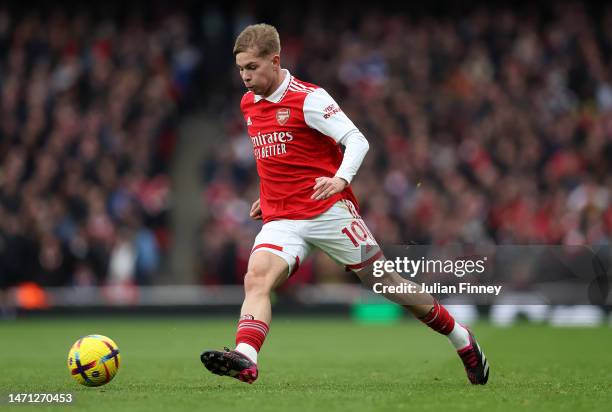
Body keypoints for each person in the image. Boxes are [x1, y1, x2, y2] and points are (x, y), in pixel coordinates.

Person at [201, 23, 489, 385]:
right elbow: (278, 156)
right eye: (241, 68)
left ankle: (461, 339)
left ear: (275, 61)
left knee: (389, 284)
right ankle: (246, 356)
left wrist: (340, 179)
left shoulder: (309, 98)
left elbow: (357, 141)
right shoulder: (249, 104)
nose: (244, 77)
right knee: (256, 277)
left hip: (328, 211)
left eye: (252, 68)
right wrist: (269, 193)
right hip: (283, 218)